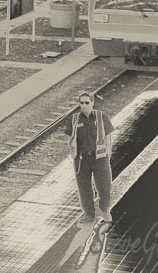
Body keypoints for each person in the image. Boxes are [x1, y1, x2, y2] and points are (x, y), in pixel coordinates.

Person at [65, 92, 114, 226]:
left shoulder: (102, 117)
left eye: (87, 102)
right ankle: (89, 215)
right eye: (81, 103)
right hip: (82, 159)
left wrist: (108, 154)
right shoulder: (74, 119)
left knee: (104, 186)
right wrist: (74, 155)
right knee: (84, 188)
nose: (84, 105)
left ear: (92, 103)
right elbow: (70, 139)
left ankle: (104, 209)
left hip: (100, 158)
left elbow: (108, 137)